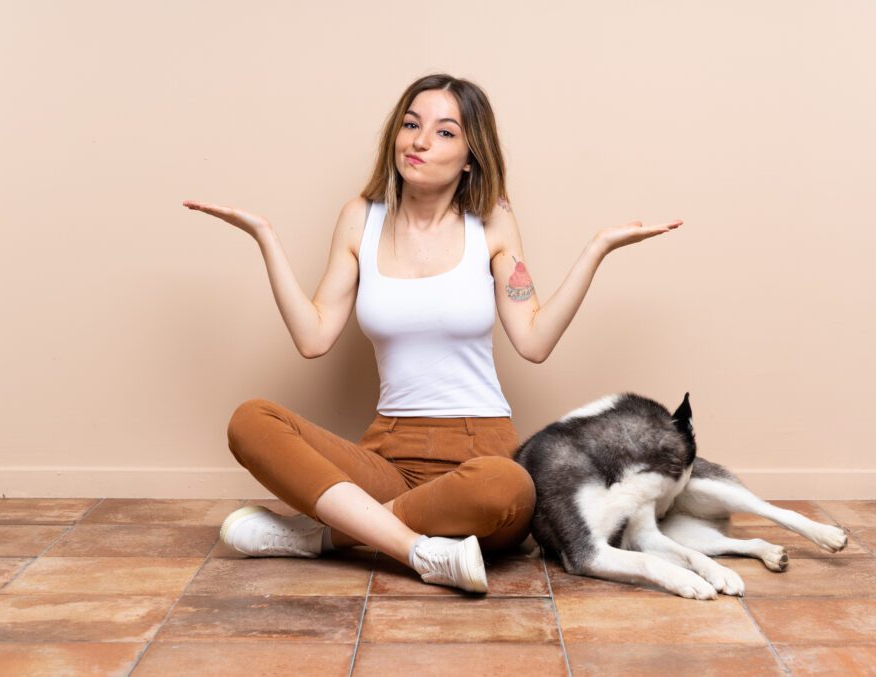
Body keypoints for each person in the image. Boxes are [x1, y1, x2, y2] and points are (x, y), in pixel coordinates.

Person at [182, 73, 681, 593]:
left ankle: (322, 537)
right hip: (387, 451)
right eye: (411, 124)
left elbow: (533, 342)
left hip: (479, 449)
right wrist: (265, 237)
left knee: (505, 485)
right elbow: (313, 338)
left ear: (471, 155)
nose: (419, 141)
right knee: (251, 420)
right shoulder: (360, 218)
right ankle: (417, 550)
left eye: (444, 132)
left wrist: (594, 251)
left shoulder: (492, 222)